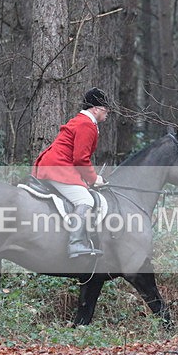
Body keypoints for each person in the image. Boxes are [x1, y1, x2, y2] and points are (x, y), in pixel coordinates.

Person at [33, 87, 110, 258]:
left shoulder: (81, 121)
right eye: (105, 109)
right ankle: (76, 244)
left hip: (54, 165)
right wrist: (94, 179)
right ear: (95, 108)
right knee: (86, 200)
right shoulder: (86, 124)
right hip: (59, 167)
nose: (107, 113)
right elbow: (81, 159)